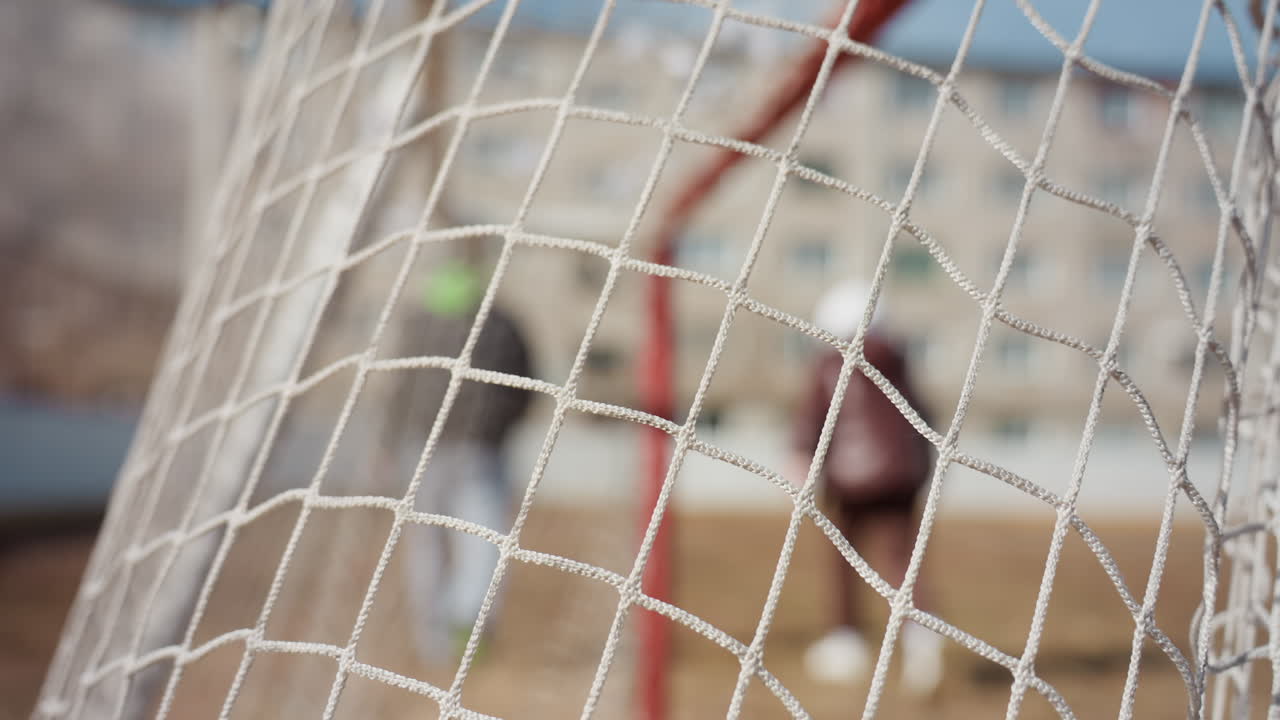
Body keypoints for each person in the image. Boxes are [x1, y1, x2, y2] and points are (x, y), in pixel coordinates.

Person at [793, 279, 943, 695]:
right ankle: (921, 640)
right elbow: (923, 416)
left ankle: (846, 641)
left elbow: (813, 416)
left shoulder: (830, 362)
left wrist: (801, 455)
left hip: (849, 480)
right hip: (902, 478)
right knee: (902, 561)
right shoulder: (898, 360)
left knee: (843, 560)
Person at [387, 259, 534, 664]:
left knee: (427, 543)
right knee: (482, 540)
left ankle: (435, 636)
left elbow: (398, 389)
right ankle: (467, 621)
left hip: (425, 449)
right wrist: (499, 428)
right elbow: (525, 385)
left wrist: (391, 441)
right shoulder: (501, 322)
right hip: (475, 449)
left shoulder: (418, 323)